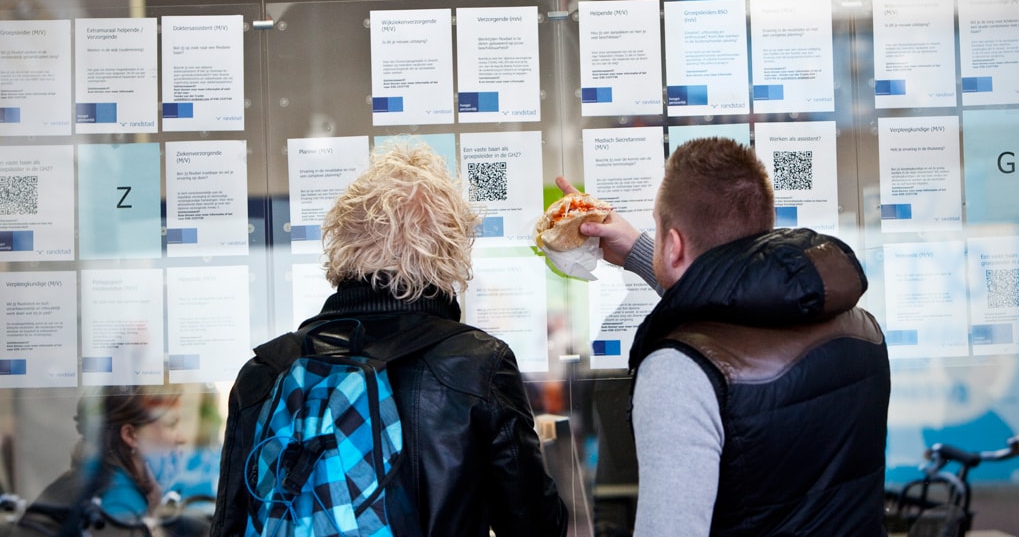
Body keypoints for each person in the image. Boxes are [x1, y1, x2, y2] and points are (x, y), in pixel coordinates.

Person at [211, 140, 568, 537]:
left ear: (343, 240)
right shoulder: (476, 365)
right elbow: (535, 524)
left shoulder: (264, 373)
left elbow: (229, 525)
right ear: (449, 250)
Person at [556, 136, 891, 535]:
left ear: (675, 245)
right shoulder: (860, 328)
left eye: (660, 230)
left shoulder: (679, 372)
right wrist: (642, 252)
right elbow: (733, 300)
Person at [13, 385, 188, 537]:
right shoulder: (118, 502)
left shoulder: (95, 482)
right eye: (171, 424)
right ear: (130, 435)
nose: (182, 437)